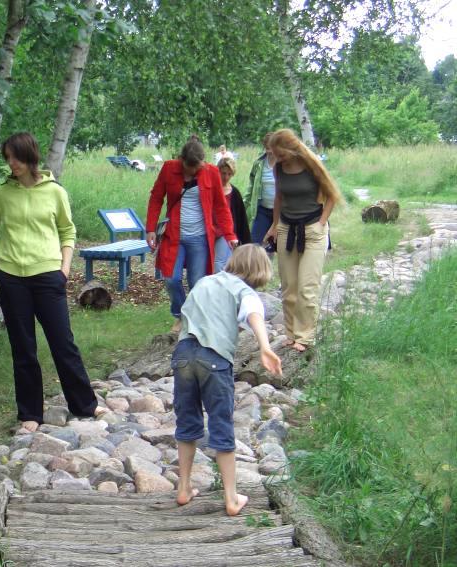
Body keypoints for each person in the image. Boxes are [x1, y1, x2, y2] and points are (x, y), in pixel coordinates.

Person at [0, 132, 107, 433]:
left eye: (16, 157)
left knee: (63, 343)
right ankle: (30, 414)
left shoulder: (55, 192)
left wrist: (64, 269)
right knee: (23, 348)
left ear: (30, 156)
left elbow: (68, 231)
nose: (11, 163)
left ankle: (85, 404)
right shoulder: (2, 194)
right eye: (7, 158)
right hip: (11, 279)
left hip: (49, 276)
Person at [172, 244, 282, 515]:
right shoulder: (244, 292)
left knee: (186, 420)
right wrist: (265, 347)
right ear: (259, 271)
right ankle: (232, 498)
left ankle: (184, 488)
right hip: (214, 359)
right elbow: (253, 314)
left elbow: (185, 315)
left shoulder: (205, 281)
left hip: (183, 355)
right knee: (220, 424)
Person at [145, 136, 238, 333]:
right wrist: (150, 228)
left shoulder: (211, 172)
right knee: (171, 278)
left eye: (196, 168)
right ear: (182, 160)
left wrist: (229, 234)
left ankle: (193, 320)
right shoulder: (169, 168)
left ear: (202, 163)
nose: (192, 172)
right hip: (174, 236)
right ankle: (180, 314)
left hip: (200, 238)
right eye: (189, 168)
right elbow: (156, 198)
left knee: (198, 282)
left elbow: (221, 206)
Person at [264, 128, 342, 352]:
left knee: (307, 287)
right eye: (275, 155)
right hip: (287, 228)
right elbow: (279, 197)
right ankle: (291, 333)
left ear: (292, 148)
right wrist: (274, 225)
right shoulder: (279, 168)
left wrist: (321, 224)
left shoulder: (312, 164)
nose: (278, 159)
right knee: (289, 286)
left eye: (281, 154)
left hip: (313, 229)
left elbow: (332, 195)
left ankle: (305, 336)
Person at [213, 157, 251, 273]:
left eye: (229, 174)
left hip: (225, 233)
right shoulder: (210, 189)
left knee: (219, 264)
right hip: (209, 230)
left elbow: (241, 219)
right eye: (223, 173)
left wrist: (245, 241)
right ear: (218, 171)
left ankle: (222, 283)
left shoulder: (234, 193)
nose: (226, 177)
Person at [244, 132, 277, 252]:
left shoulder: (284, 163)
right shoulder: (259, 164)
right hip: (263, 210)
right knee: (255, 244)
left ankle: (268, 261)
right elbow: (251, 186)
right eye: (267, 148)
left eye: (271, 148)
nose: (269, 151)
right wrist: (244, 205)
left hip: (281, 213)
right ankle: (259, 263)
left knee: (274, 245)